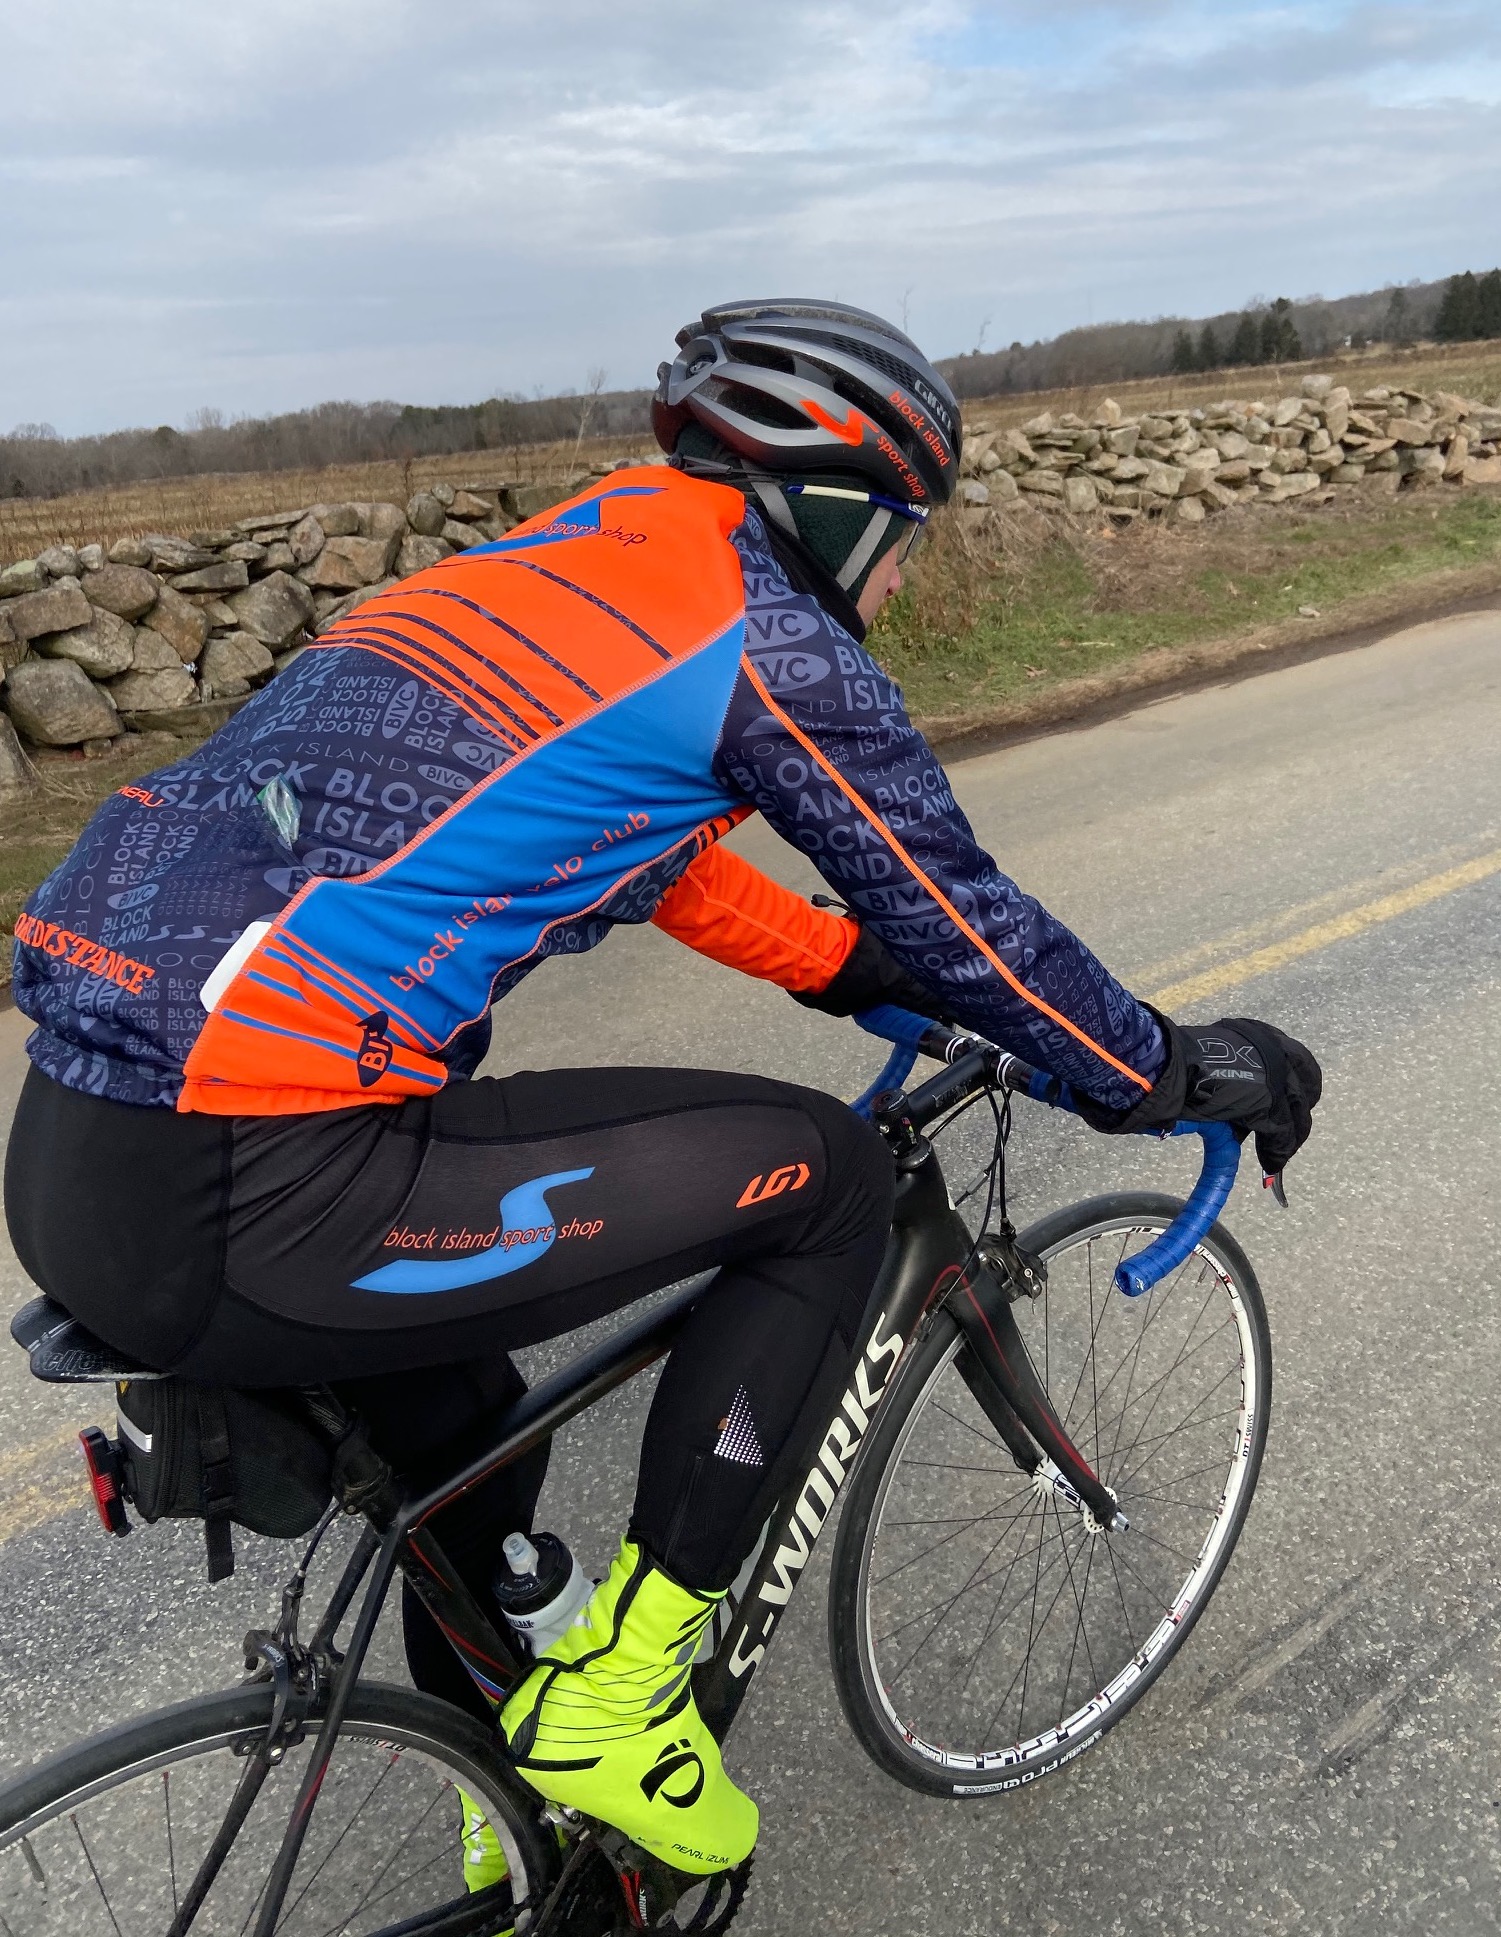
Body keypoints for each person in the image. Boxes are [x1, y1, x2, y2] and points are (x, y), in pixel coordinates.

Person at [4, 300, 1320, 1887]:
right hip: (262, 1176)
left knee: (474, 1451)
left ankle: (512, 1820)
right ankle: (622, 1698)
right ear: (836, 510)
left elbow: (650, 850)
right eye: (901, 539)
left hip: (79, 1157)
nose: (902, 580)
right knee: (825, 1180)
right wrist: (1162, 1071)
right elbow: (961, 915)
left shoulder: (571, 562)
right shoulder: (765, 633)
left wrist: (849, 974)